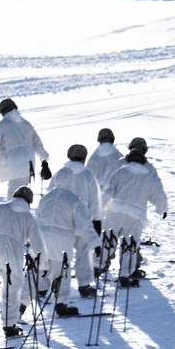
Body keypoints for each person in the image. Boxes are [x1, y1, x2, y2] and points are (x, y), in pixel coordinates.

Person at [0, 186, 46, 337]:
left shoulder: (1, 208)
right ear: (29, 202)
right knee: (12, 290)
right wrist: (43, 264)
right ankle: (9, 325)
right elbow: (37, 244)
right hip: (13, 254)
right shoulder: (28, 218)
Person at [99, 138, 168, 287]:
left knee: (107, 240)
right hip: (135, 215)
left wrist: (99, 207)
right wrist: (162, 208)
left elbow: (107, 187)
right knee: (129, 245)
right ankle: (126, 274)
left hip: (114, 211)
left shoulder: (120, 168)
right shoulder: (148, 172)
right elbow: (158, 192)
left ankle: (97, 266)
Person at [34, 173, 99, 317]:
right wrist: (96, 242)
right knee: (61, 272)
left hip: (41, 236)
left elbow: (37, 216)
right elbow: (84, 226)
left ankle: (42, 288)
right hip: (62, 239)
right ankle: (60, 303)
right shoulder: (74, 199)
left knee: (43, 265)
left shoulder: (46, 197)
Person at [48, 144, 102, 298]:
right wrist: (97, 221)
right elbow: (95, 199)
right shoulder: (87, 175)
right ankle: (84, 285)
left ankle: (55, 285)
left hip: (61, 221)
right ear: (84, 159)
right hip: (82, 220)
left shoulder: (60, 173)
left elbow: (51, 195)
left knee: (61, 256)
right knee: (83, 253)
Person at [0, 98, 51, 200]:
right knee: (23, 196)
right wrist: (44, 160)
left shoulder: (1, 125)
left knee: (14, 197)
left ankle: (12, 215)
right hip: (29, 165)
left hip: (13, 166)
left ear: (3, 111)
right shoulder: (26, 124)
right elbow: (37, 144)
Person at [87, 127, 124, 192]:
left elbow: (87, 176)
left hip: (96, 192)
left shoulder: (94, 156)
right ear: (112, 139)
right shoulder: (117, 155)